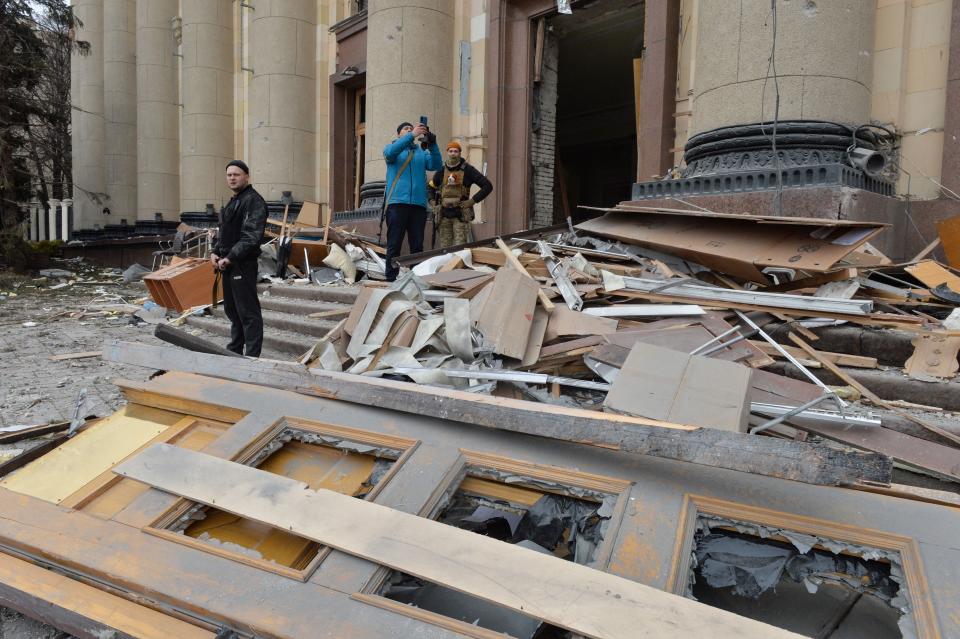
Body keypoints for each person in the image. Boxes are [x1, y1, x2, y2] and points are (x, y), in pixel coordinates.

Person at [209, 160, 267, 357]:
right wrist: (215, 251)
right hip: (228, 264)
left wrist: (231, 257)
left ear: (247, 176)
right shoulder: (234, 201)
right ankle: (234, 350)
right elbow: (224, 232)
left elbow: (251, 236)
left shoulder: (254, 201)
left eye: (236, 174)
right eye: (229, 175)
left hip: (242, 264)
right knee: (233, 311)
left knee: (248, 313)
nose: (232, 178)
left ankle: (251, 357)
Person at [382, 120, 442, 281]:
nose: (410, 130)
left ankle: (416, 279)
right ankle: (391, 278)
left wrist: (433, 144)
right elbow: (390, 154)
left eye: (411, 128)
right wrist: (412, 135)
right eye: (406, 129)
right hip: (397, 204)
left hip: (418, 205)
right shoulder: (392, 149)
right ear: (399, 134)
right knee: (394, 243)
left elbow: (436, 164)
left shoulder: (421, 153)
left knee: (417, 245)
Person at [429, 141, 493, 248]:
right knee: (445, 250)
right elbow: (430, 187)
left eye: (456, 151)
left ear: (460, 153)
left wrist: (472, 201)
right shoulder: (441, 171)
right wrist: (432, 202)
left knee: (460, 249)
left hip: (461, 215)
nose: (453, 153)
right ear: (447, 153)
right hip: (443, 216)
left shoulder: (468, 170)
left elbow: (487, 186)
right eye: (450, 151)